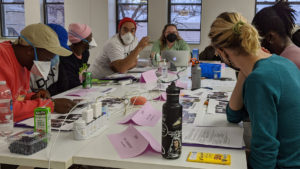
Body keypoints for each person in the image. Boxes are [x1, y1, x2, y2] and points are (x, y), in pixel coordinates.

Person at [209, 12, 300, 169]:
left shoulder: (259, 79)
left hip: (285, 164)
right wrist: (244, 70)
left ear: (222, 52)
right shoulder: (282, 63)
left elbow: (266, 149)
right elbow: (233, 115)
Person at [0, 23, 76, 122]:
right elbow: (4, 110)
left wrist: (32, 97)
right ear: (30, 50)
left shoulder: (24, 63)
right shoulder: (2, 58)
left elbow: (18, 97)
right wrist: (50, 105)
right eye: (46, 59)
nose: (48, 64)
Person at [252, 0, 300, 69]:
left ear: (270, 37)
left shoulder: (281, 65)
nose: (258, 46)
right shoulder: (297, 53)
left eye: (258, 40)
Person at [30, 23, 71, 96]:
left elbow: (63, 85)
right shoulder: (29, 65)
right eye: (53, 50)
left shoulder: (56, 60)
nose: (54, 56)